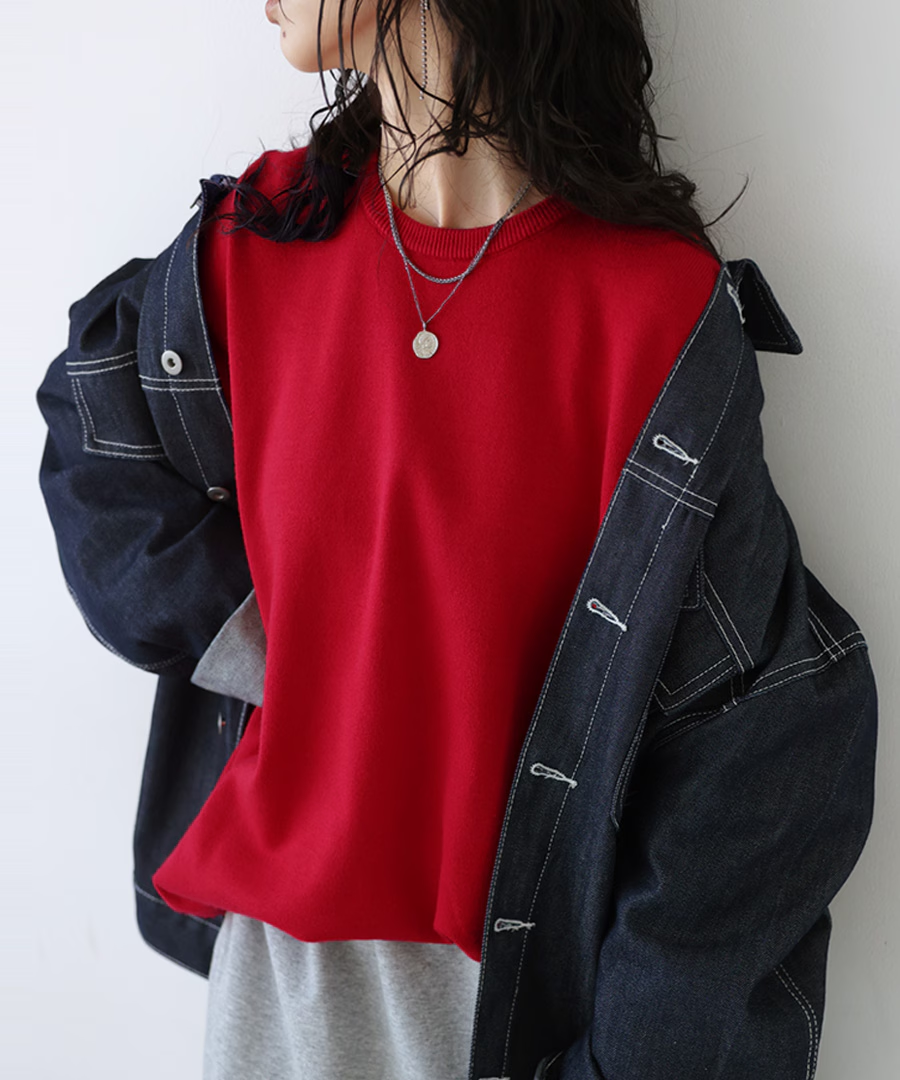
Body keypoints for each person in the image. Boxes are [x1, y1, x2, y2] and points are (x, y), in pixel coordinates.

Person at [35, 1, 878, 1078]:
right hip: (274, 1001)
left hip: (517, 1015)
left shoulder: (651, 311)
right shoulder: (253, 247)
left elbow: (768, 731)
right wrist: (294, 651)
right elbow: (94, 437)